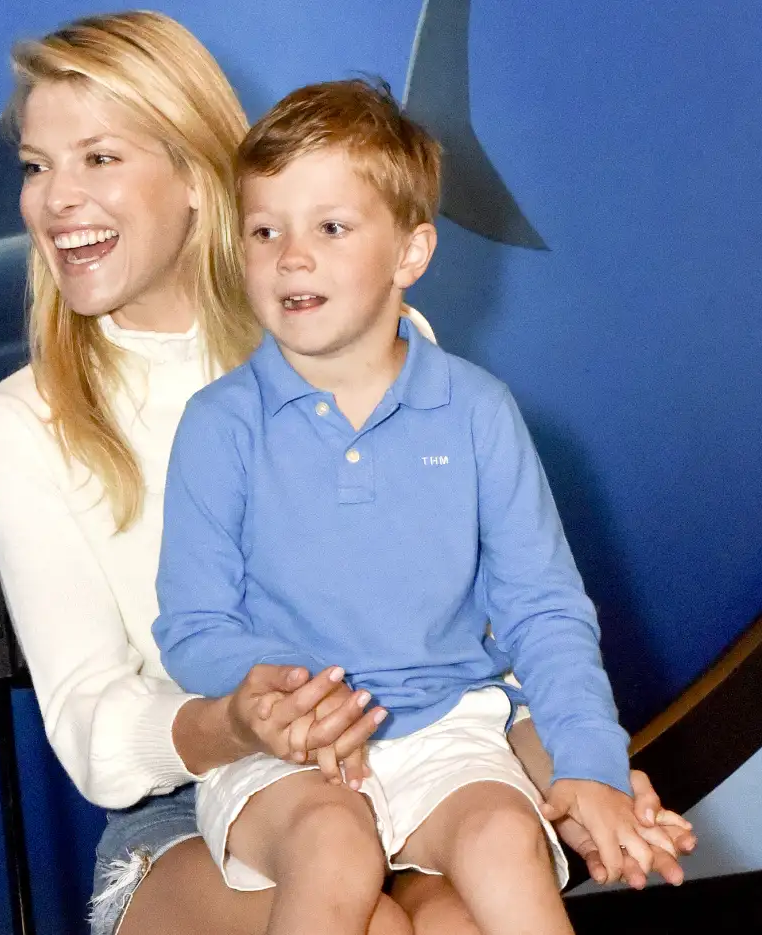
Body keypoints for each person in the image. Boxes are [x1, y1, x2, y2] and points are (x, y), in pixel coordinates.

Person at [0, 12, 695, 935]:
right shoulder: (20, 424)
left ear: (199, 176)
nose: (56, 200)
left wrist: (575, 763)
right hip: (191, 808)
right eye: (36, 166)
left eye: (98, 159)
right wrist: (248, 717)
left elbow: (491, 632)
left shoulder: (383, 348)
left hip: (427, 750)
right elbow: (102, 740)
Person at [151, 78, 686, 935]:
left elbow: (543, 610)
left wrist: (591, 762)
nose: (291, 255)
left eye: (330, 226)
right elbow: (194, 626)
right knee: (334, 846)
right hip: (293, 756)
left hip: (450, 730)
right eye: (264, 230)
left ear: (411, 253)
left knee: (507, 837)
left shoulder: (478, 412)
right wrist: (297, 704)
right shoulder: (218, 426)